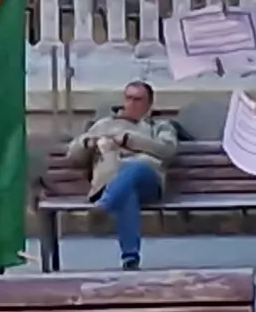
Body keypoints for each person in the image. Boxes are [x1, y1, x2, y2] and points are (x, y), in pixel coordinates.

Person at [63, 80, 180, 269]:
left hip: (148, 181)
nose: (132, 103)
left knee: (133, 166)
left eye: (138, 99)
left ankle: (104, 206)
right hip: (110, 183)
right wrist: (88, 144)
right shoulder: (103, 125)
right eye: (129, 98)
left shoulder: (159, 126)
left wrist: (129, 140)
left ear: (149, 104)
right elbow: (72, 156)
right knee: (126, 191)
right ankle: (130, 258)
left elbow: (167, 150)